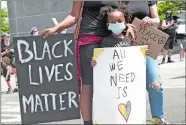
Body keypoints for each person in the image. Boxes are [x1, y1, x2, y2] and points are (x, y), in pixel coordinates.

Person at [41, 1, 167, 124]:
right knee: (88, 84)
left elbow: (119, 13)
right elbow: (74, 16)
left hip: (110, 38)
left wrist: (126, 25)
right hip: (90, 38)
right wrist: (56, 28)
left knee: (113, 83)